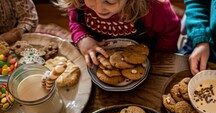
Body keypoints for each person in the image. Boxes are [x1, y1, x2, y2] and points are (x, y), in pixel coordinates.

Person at [53, 0, 181, 67]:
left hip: (149, 60)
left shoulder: (155, 7)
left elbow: (170, 30)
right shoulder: (78, 2)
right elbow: (75, 22)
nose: (99, 8)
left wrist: (161, 57)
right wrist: (82, 38)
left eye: (110, 1)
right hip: (98, 60)